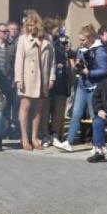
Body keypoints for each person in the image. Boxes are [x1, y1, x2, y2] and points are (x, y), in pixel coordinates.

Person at [56, 24, 107, 152]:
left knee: (94, 116)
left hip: (94, 87)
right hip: (82, 85)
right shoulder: (82, 50)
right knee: (76, 114)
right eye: (79, 40)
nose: (80, 43)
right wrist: (77, 66)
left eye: (83, 40)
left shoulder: (100, 50)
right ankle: (68, 142)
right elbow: (78, 65)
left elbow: (104, 70)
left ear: (91, 38)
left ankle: (98, 144)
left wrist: (89, 72)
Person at [13, 10, 55, 150]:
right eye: (28, 25)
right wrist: (18, 79)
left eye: (32, 24)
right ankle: (24, 138)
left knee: (38, 110)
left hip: (43, 79)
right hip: (28, 78)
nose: (30, 27)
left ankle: (34, 137)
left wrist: (52, 77)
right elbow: (18, 60)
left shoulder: (48, 39)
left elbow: (52, 61)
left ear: (38, 24)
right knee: (25, 108)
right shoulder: (23, 39)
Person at [46, 17, 70, 146]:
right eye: (56, 28)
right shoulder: (45, 41)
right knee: (46, 109)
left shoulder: (61, 42)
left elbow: (66, 58)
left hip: (61, 81)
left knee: (58, 110)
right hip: (49, 81)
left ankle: (55, 134)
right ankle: (45, 134)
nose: (59, 31)